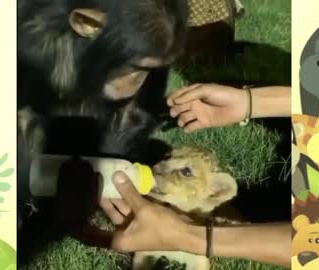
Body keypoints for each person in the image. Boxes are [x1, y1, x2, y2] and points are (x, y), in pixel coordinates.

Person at [100, 83, 292, 268]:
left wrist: (191, 237)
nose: (159, 167)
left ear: (213, 194)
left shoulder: (215, 190)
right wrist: (247, 102)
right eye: (167, 158)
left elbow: (317, 244)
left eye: (186, 172)